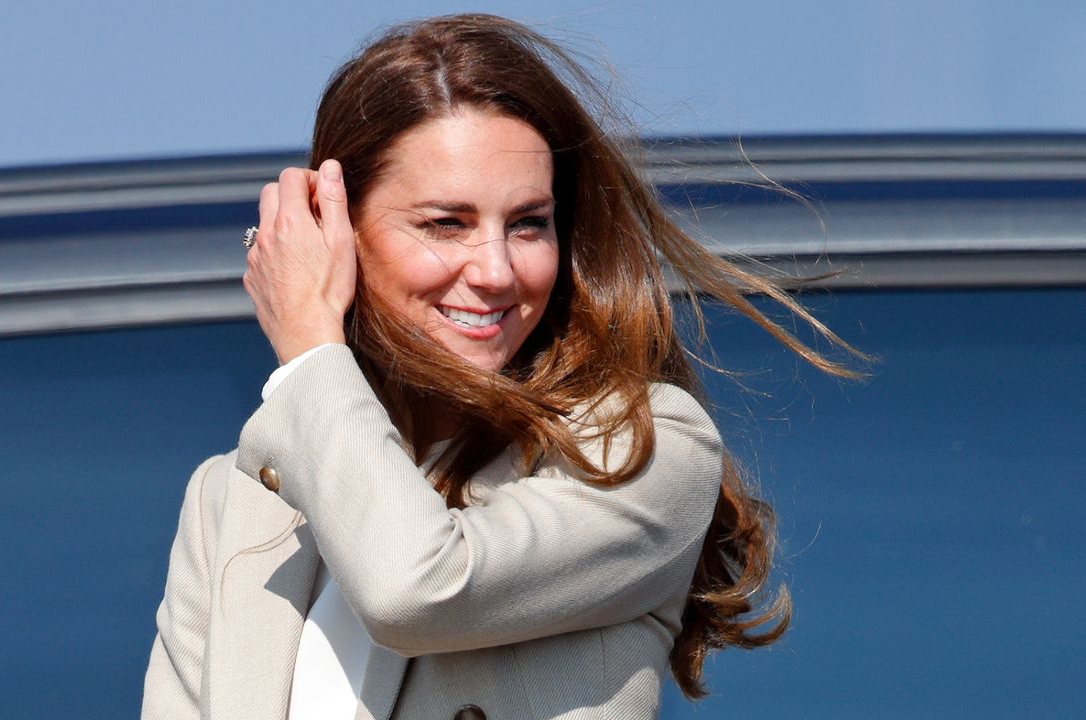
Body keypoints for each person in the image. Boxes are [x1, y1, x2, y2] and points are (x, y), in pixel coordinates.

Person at [142, 13, 858, 720]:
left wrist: (308, 341)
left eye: (528, 223)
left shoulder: (640, 448)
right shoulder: (230, 502)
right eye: (445, 223)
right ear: (333, 232)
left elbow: (413, 587)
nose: (496, 270)